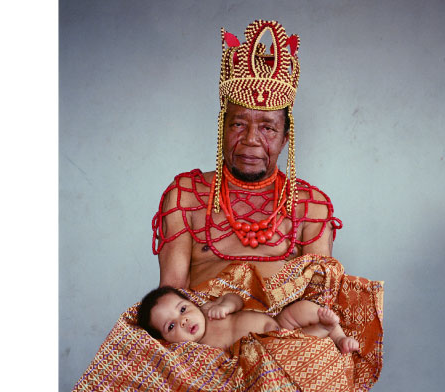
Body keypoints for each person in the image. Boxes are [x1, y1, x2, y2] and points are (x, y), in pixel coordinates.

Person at [152, 19, 342, 289]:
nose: (251, 140)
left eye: (267, 128)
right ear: (223, 129)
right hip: (202, 329)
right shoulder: (186, 196)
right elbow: (170, 298)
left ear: (285, 138)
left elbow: (318, 304)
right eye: (239, 124)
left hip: (283, 331)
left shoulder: (310, 207)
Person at [136, 286, 360, 353]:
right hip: (273, 349)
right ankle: (323, 329)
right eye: (172, 326)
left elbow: (237, 298)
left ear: (193, 303)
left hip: (279, 322)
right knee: (298, 344)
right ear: (166, 341)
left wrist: (226, 305)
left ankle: (338, 335)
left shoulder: (207, 309)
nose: (183, 320)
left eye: (183, 309)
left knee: (304, 309)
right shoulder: (198, 351)